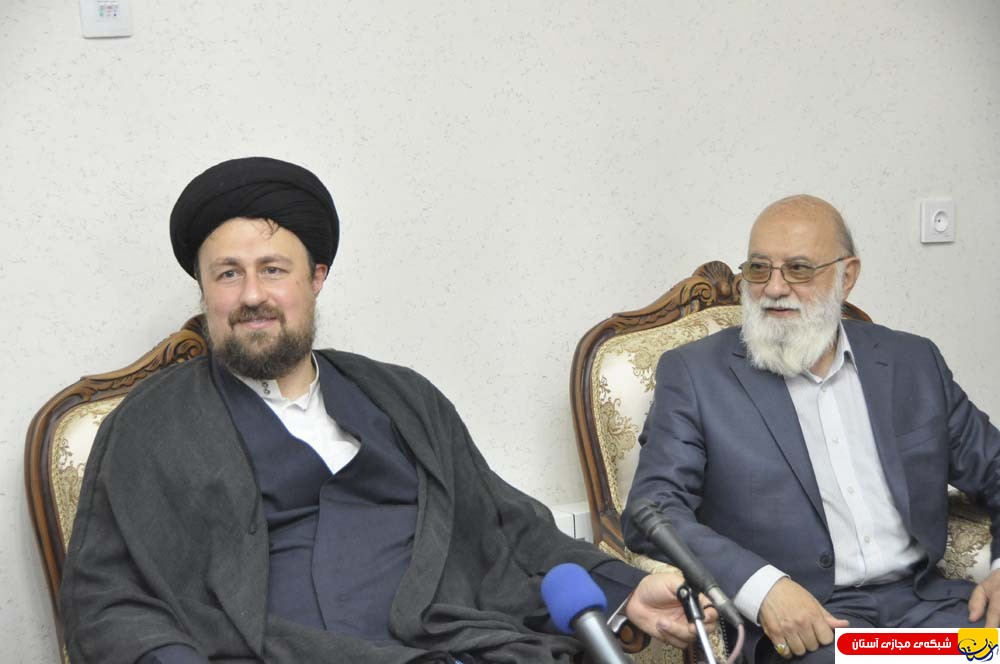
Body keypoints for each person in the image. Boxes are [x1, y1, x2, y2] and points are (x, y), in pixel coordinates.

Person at [60, 157, 713, 664]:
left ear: (316, 278)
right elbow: (107, 601)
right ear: (204, 289)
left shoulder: (400, 397)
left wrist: (625, 588)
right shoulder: (151, 426)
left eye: (273, 270)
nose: (252, 294)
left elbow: (508, 526)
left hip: (457, 647)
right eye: (228, 274)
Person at [622, 194, 1000, 664]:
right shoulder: (696, 375)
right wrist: (764, 588)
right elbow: (653, 509)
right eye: (759, 269)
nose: (774, 288)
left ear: (847, 275)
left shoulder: (912, 361)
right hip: (812, 628)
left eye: (798, 269)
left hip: (929, 609)